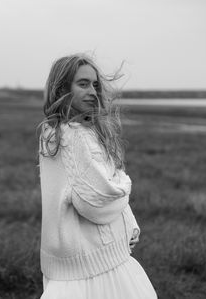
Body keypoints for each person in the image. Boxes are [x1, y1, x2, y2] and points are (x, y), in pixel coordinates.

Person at [38, 54, 158, 299]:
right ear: (62, 88)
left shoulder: (55, 132)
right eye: (83, 84)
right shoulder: (73, 136)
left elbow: (98, 185)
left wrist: (130, 225)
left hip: (84, 260)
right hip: (94, 263)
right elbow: (98, 202)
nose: (92, 91)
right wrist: (124, 182)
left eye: (95, 84)